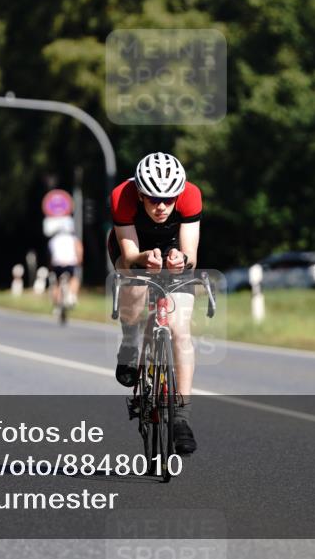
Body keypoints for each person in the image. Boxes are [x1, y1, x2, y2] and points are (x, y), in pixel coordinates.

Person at [108, 152, 202, 455]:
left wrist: (181, 259)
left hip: (172, 247)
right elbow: (128, 256)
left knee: (180, 330)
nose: (161, 206)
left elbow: (191, 254)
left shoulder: (191, 196)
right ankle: (130, 342)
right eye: (153, 199)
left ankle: (182, 418)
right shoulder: (122, 196)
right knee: (134, 285)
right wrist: (142, 258)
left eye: (169, 199)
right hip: (134, 248)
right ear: (140, 194)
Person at [48, 224, 83, 312]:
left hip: (57, 263)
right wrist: (79, 261)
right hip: (70, 263)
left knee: (56, 283)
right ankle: (72, 296)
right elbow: (79, 250)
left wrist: (51, 266)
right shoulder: (73, 239)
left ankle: (56, 306)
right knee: (74, 279)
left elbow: (50, 254)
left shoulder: (53, 240)